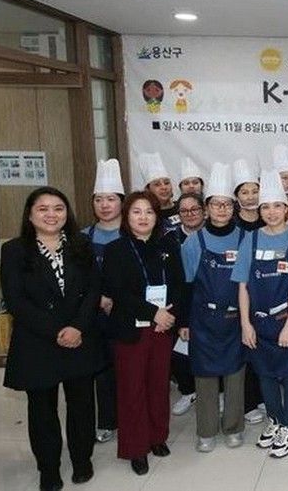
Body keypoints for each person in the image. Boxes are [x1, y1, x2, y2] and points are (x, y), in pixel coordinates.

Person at [2, 186, 101, 490]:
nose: (51, 214)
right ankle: (49, 468)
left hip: (79, 338)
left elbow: (93, 292)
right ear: (30, 215)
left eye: (58, 208)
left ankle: (82, 461)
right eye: (43, 208)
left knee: (82, 404)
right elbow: (16, 300)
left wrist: (77, 328)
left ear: (66, 213)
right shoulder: (15, 250)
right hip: (38, 342)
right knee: (42, 409)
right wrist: (56, 331)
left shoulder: (81, 244)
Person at [233, 170, 288, 458]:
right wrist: (245, 324)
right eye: (265, 206)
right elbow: (242, 287)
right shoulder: (250, 241)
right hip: (258, 322)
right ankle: (275, 420)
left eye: (277, 206)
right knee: (265, 375)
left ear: (285, 208)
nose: (270, 212)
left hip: (286, 321)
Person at [103, 191, 185, 475]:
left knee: (158, 385)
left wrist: (170, 316)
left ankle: (157, 437)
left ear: (156, 217)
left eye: (149, 212)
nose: (143, 217)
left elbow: (178, 284)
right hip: (131, 330)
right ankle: (136, 448)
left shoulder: (168, 245)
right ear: (126, 216)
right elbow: (119, 292)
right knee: (132, 390)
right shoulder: (116, 250)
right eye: (136, 212)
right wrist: (154, 313)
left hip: (162, 329)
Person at [181, 163, 247, 452]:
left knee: (235, 375)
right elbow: (185, 285)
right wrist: (184, 321)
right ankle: (206, 430)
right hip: (203, 318)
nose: (221, 209)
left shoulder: (246, 239)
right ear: (206, 208)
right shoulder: (193, 242)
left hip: (237, 319)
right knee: (205, 376)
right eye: (215, 204)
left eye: (226, 204)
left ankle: (233, 426)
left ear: (233, 207)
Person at [83, 160, 124, 445]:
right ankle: (107, 421)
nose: (105, 205)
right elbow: (77, 280)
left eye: (110, 199)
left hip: (128, 313)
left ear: (121, 202)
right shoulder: (83, 238)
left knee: (131, 370)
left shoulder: (133, 233)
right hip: (94, 315)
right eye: (99, 199)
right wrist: (98, 298)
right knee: (102, 371)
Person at [232, 159, 265, 424]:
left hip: (266, 295)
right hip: (238, 296)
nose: (251, 196)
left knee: (263, 349)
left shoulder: (270, 224)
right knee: (244, 351)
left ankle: (264, 397)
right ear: (236, 196)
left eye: (255, 191)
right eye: (245, 191)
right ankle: (248, 402)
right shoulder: (232, 227)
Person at [167, 192, 205, 416]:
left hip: (208, 300)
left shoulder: (213, 236)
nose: (189, 214)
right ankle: (188, 390)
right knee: (180, 352)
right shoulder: (169, 239)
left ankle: (216, 392)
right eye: (184, 211)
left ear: (204, 211)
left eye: (194, 209)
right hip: (180, 301)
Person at [138, 152, 180, 234]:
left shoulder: (182, 208)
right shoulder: (145, 215)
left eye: (167, 183)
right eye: (157, 184)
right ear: (148, 190)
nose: (164, 187)